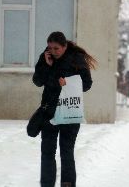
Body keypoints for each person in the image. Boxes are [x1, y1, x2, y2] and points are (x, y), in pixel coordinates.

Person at [32, 31, 97, 187]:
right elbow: (37, 81)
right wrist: (46, 66)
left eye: (56, 49)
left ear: (65, 46)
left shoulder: (76, 59)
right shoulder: (46, 56)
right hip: (49, 112)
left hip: (70, 112)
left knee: (66, 152)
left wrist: (68, 82)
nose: (53, 52)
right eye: (50, 48)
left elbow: (87, 84)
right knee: (47, 152)